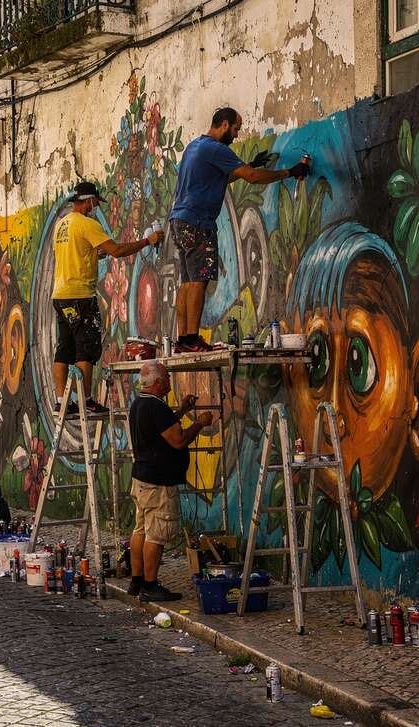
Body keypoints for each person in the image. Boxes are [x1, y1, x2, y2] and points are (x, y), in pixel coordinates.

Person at [168, 107, 310, 352]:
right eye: (235, 129)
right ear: (224, 124)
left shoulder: (195, 146)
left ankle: (183, 340)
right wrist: (290, 172)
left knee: (187, 281)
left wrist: (249, 164)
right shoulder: (216, 148)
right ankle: (192, 339)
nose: (236, 135)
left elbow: (220, 177)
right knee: (200, 280)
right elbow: (252, 177)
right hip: (198, 222)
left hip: (180, 222)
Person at [52, 180, 163, 414]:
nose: (96, 208)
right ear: (89, 201)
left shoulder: (61, 225)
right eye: (95, 203)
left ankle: (62, 401)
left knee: (65, 347)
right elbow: (117, 251)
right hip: (81, 295)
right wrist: (147, 241)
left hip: (61, 295)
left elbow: (75, 253)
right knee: (86, 347)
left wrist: (94, 255)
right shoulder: (87, 224)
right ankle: (86, 401)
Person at [127, 360, 212, 601]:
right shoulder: (156, 407)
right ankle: (150, 586)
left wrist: (182, 410)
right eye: (167, 378)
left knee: (141, 530)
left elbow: (162, 429)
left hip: (142, 478)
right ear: (158, 382)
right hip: (158, 482)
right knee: (156, 535)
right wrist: (200, 423)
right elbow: (178, 440)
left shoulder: (140, 403)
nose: (170, 382)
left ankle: (136, 581)